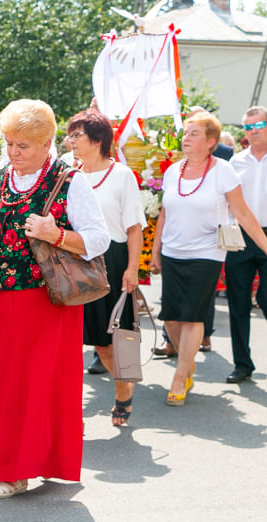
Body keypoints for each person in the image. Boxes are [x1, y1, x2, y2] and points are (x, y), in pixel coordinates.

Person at [0, 99, 110, 498]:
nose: (13, 153)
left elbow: (99, 238)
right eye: (9, 143)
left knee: (37, 385)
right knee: (1, 385)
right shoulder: (0, 176)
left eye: (22, 146)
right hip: (0, 299)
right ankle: (15, 465)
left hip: (44, 302)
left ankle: (17, 470)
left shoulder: (68, 180)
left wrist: (54, 233)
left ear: (47, 144)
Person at [149, 111, 267, 405]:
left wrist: (265, 246)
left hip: (207, 252)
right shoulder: (173, 171)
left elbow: (241, 212)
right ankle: (187, 362)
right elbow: (164, 213)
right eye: (186, 133)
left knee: (192, 316)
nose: (186, 138)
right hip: (174, 251)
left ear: (210, 141)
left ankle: (180, 377)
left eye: (193, 134)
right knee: (172, 319)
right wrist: (155, 251)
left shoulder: (223, 170)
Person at [67, 110, 145, 425]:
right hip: (76, 260)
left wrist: (132, 269)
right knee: (96, 340)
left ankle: (125, 393)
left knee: (121, 336)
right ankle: (117, 388)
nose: (70, 141)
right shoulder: (68, 172)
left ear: (97, 140)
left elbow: (134, 228)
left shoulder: (122, 175)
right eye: (69, 135)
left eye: (77, 135)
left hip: (113, 259)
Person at [225, 106, 267, 383]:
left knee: (265, 298)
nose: (253, 132)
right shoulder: (234, 162)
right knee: (237, 302)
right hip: (240, 237)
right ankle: (242, 364)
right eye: (248, 127)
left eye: (258, 125)